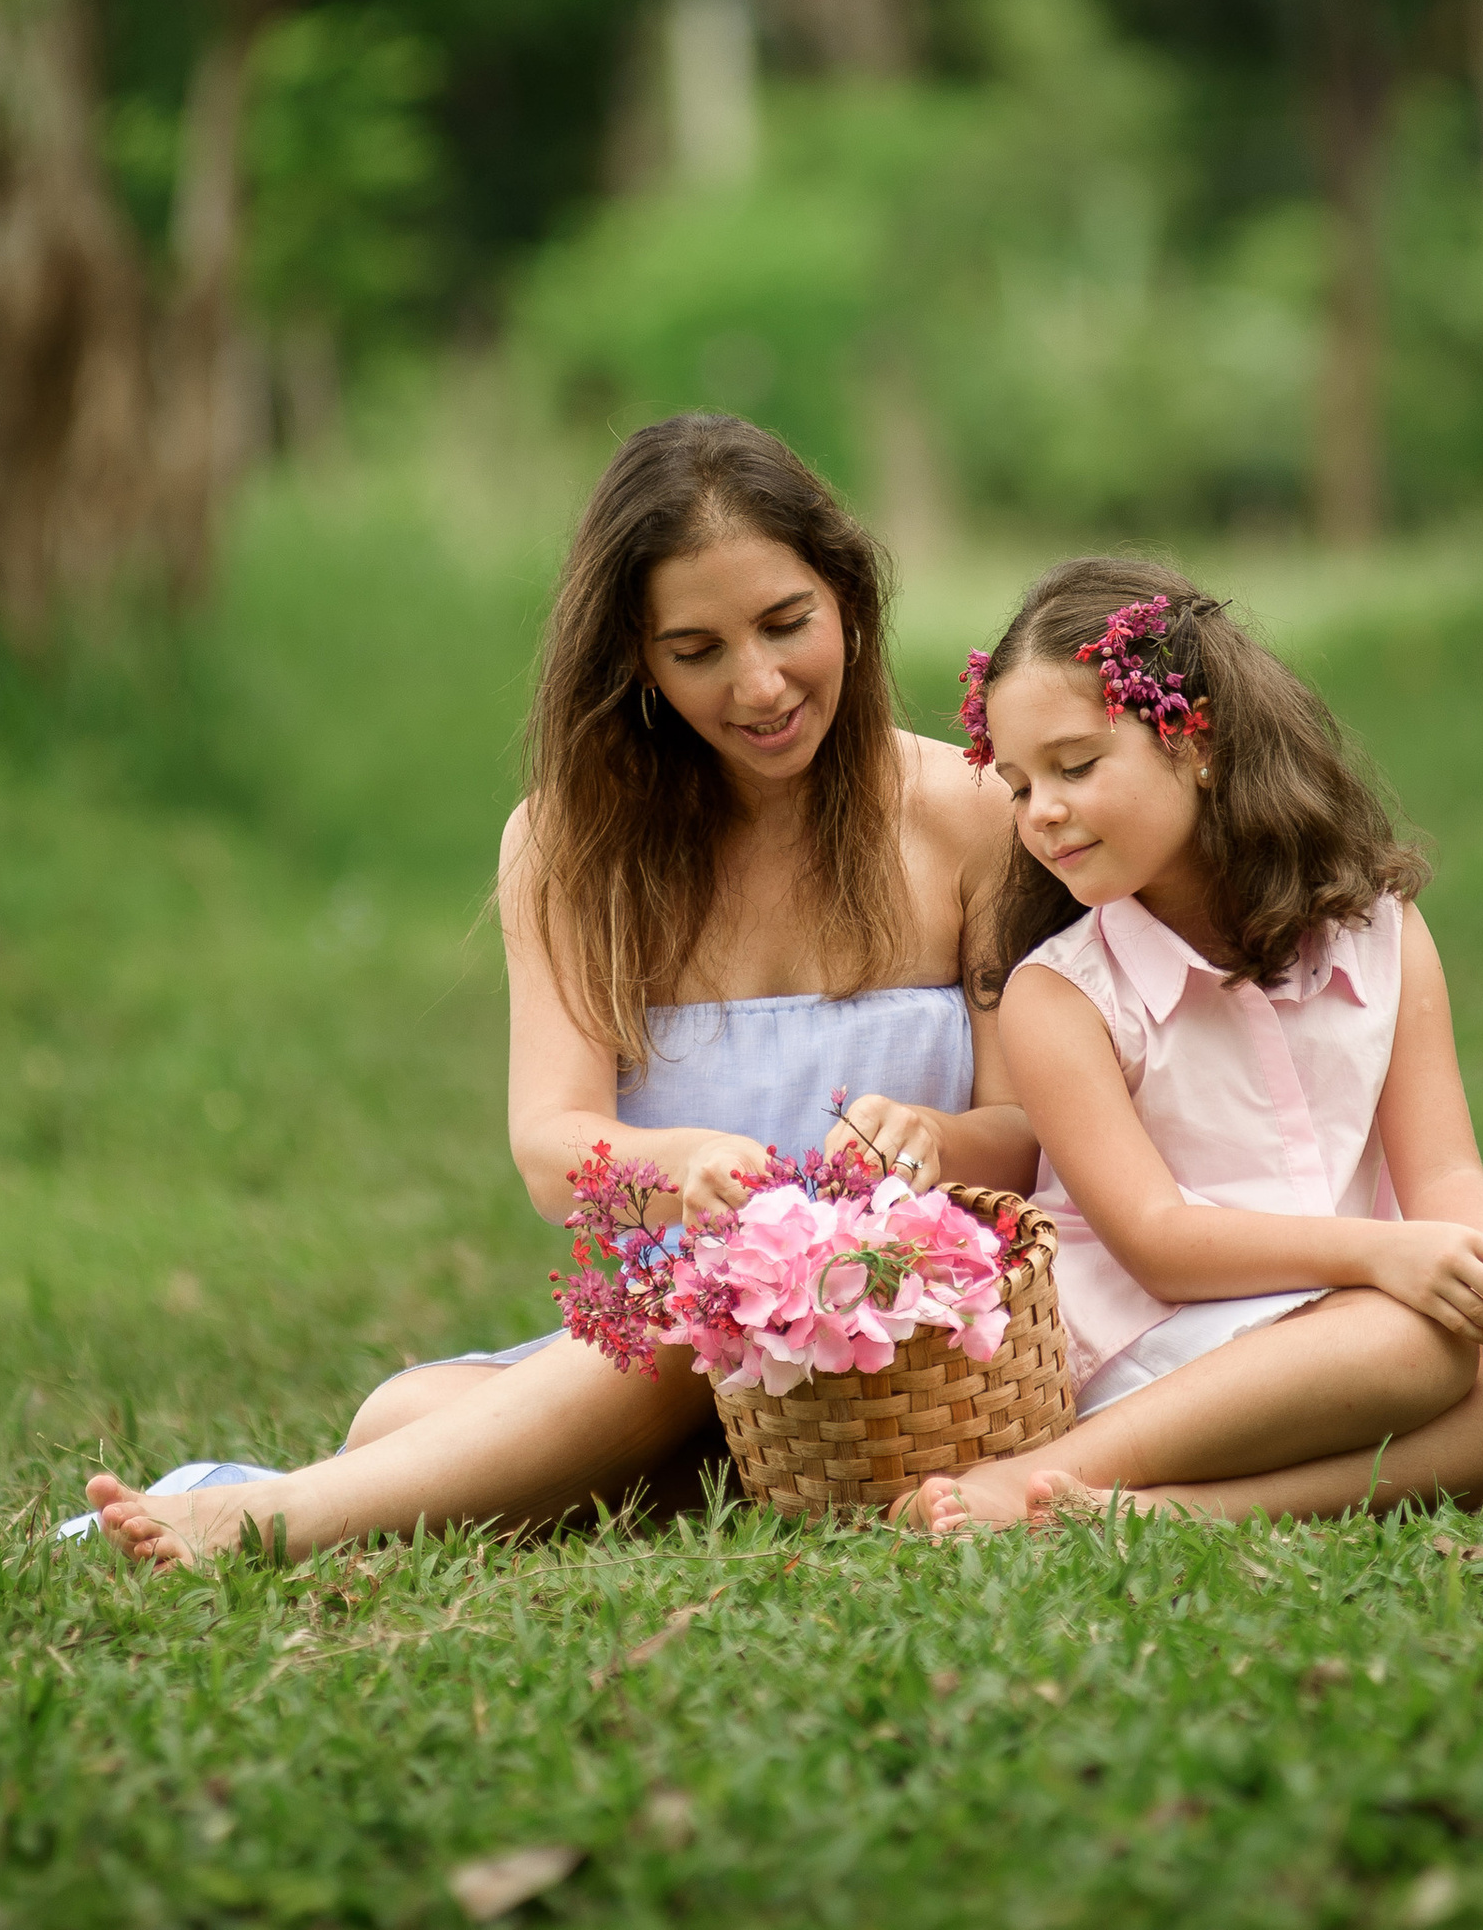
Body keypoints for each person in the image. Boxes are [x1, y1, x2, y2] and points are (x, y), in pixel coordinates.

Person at [81, 414, 1032, 1565]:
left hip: (920, 1353)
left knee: (696, 1313)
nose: (762, 683)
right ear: (634, 657)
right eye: (697, 650)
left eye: (788, 624)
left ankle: (275, 1515)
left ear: (848, 597)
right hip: (683, 1347)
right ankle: (654, 1463)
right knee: (414, 1406)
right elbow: (551, 1148)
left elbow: (1030, 1135)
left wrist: (932, 1137)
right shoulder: (571, 846)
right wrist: (679, 1166)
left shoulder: (973, 814)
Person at [905, 557, 1483, 1534]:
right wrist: (1393, 1260)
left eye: (1075, 766)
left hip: (1357, 1315)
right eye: (1020, 784)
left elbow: (1446, 1168)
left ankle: (1173, 1514)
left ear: (1194, 742)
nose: (1041, 812)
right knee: (1410, 1347)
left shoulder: (1382, 931)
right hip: (1166, 1354)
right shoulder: (1059, 995)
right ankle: (1046, 1473)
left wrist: (1481, 1272)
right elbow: (1158, 1242)